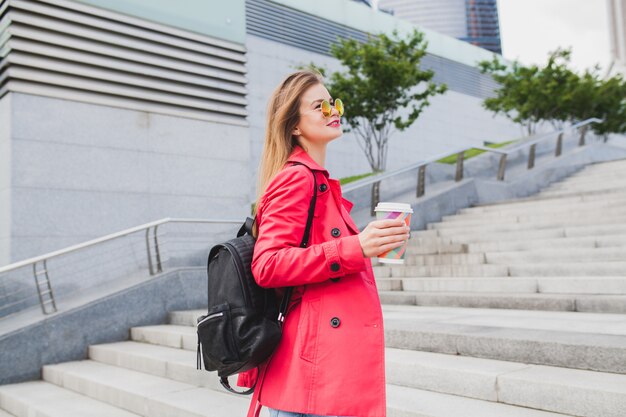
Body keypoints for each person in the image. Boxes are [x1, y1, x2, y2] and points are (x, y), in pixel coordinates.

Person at [237, 70, 410, 417]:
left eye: (334, 103)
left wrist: (369, 243)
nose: (333, 112)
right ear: (295, 126)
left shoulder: (316, 180)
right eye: (319, 107)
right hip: (312, 371)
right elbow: (267, 264)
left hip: (322, 367)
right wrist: (355, 247)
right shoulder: (296, 179)